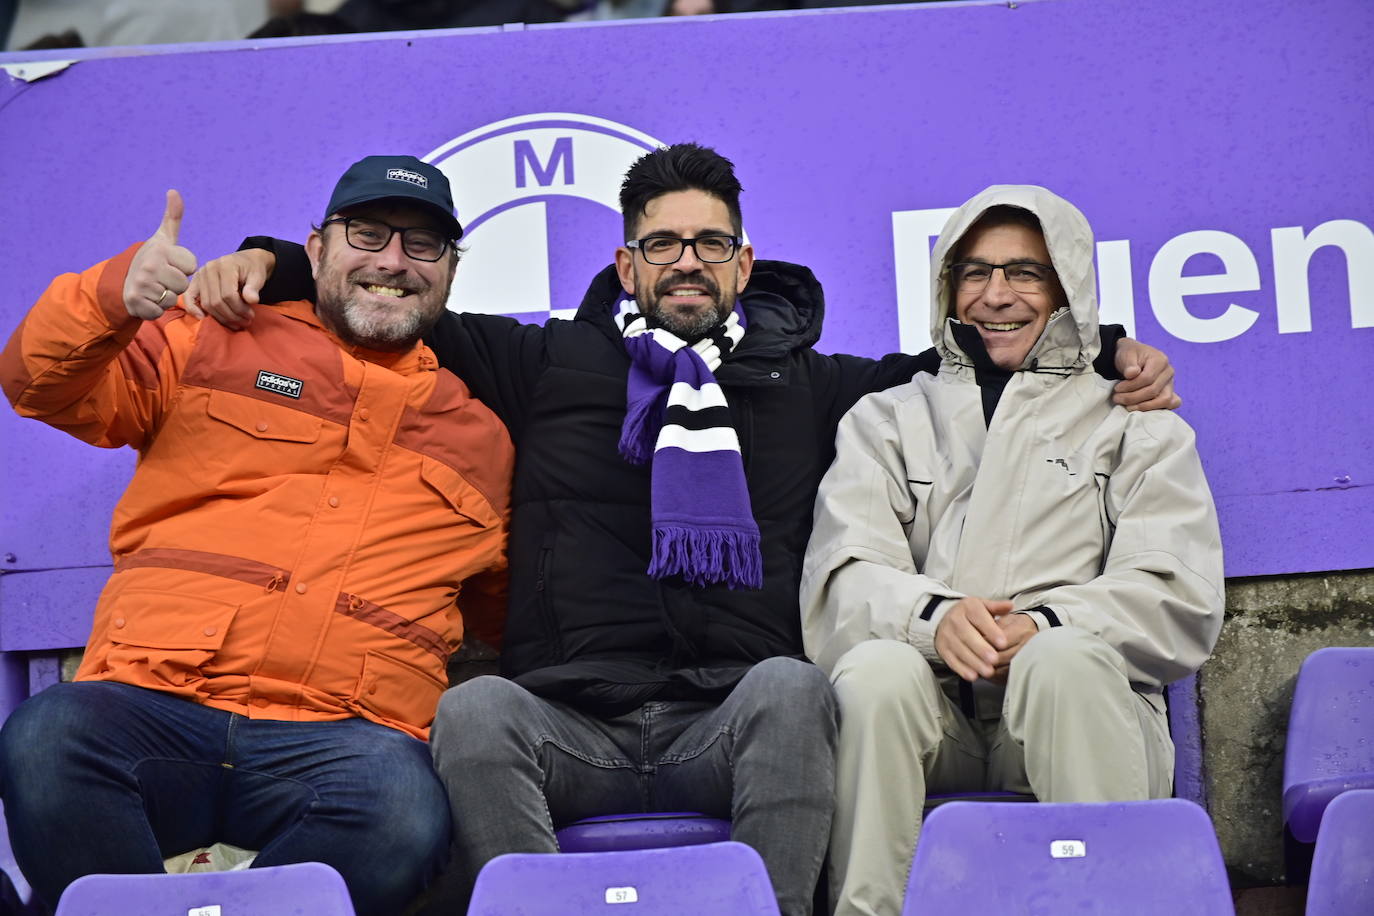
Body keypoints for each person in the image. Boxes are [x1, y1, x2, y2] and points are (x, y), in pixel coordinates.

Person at [189, 145, 1179, 914]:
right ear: (628, 262)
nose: (687, 263)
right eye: (663, 243)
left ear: (744, 262)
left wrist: (1105, 348)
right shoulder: (550, 364)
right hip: (570, 721)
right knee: (475, 710)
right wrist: (274, 260)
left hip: (730, 717)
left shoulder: (812, 385)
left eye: (709, 244)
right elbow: (394, 296)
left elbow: (971, 353)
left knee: (797, 690)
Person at [0, 156, 513, 915]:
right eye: (367, 234)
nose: (393, 261)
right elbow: (34, 382)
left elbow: (512, 611)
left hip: (348, 741)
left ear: (450, 274)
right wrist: (114, 295)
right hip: (157, 702)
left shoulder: (484, 438)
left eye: (423, 245)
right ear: (314, 251)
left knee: (403, 809)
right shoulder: (215, 335)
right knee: (49, 738)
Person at [799, 184, 1224, 916]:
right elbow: (843, 577)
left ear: (1067, 285)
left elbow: (1176, 595)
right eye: (975, 272)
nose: (997, 295)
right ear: (949, 289)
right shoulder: (887, 417)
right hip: (945, 718)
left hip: (1080, 713)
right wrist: (932, 618)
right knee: (873, 672)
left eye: (1024, 272)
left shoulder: (1135, 419)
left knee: (1061, 660)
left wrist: (1047, 625)